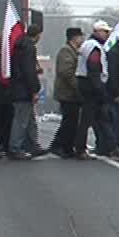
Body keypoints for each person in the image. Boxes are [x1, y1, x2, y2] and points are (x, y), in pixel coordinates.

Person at [76, 21, 119, 159]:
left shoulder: (92, 45)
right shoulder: (94, 47)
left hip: (89, 86)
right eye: (105, 31)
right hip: (91, 87)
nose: (107, 34)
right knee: (87, 120)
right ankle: (81, 150)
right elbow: (94, 70)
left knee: (103, 119)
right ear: (96, 31)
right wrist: (100, 90)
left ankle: (111, 147)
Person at [9, 24, 43, 160]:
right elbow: (28, 71)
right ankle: (15, 148)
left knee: (29, 120)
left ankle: (32, 144)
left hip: (18, 87)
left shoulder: (20, 46)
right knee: (21, 120)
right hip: (24, 90)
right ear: (38, 35)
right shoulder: (29, 48)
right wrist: (34, 90)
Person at [50, 28, 84, 159]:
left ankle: (64, 146)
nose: (82, 39)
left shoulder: (74, 51)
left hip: (71, 93)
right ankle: (61, 147)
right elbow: (66, 72)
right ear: (74, 38)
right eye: (80, 37)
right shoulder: (66, 51)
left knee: (71, 121)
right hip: (67, 93)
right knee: (69, 122)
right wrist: (78, 87)